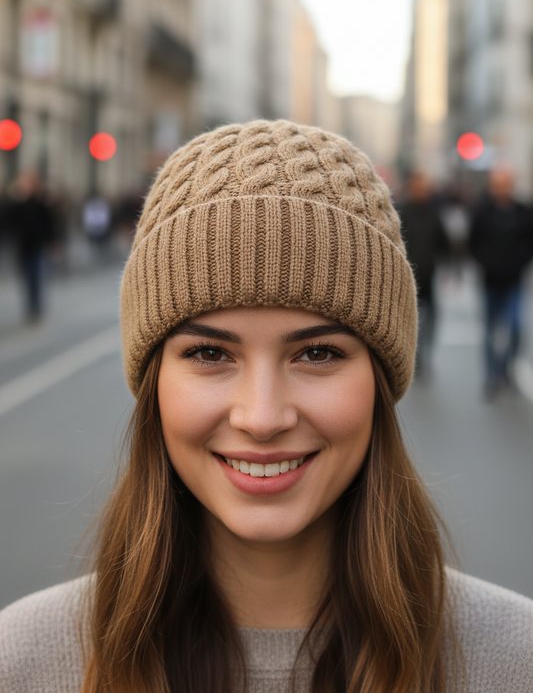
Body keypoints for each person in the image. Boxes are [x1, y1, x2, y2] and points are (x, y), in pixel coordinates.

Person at [1, 121, 532, 693]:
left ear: (381, 378)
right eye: (209, 353)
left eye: (318, 353)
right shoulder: (23, 662)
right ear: (153, 381)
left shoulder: (513, 661)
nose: (261, 417)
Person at [470, 166, 533, 396]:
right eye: (498, 184)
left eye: (506, 184)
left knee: (515, 327)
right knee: (489, 330)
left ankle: (506, 369)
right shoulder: (483, 211)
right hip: (489, 281)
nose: (502, 188)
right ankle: (491, 376)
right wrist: (486, 262)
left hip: (514, 280)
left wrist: (519, 262)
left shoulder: (523, 212)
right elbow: (474, 242)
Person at [397, 171, 448, 377]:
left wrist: (449, 266)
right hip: (407, 280)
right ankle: (413, 357)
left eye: (424, 189)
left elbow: (443, 243)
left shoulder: (434, 213)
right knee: (410, 321)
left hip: (428, 278)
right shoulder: (401, 213)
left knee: (432, 319)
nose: (422, 192)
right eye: (418, 188)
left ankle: (425, 354)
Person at [6, 169, 54, 320]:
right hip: (23, 246)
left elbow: (48, 225)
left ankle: (35, 306)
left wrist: (53, 242)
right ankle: (30, 306)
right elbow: (8, 220)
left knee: (35, 276)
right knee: (26, 277)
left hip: (37, 246)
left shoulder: (40, 204)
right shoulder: (18, 205)